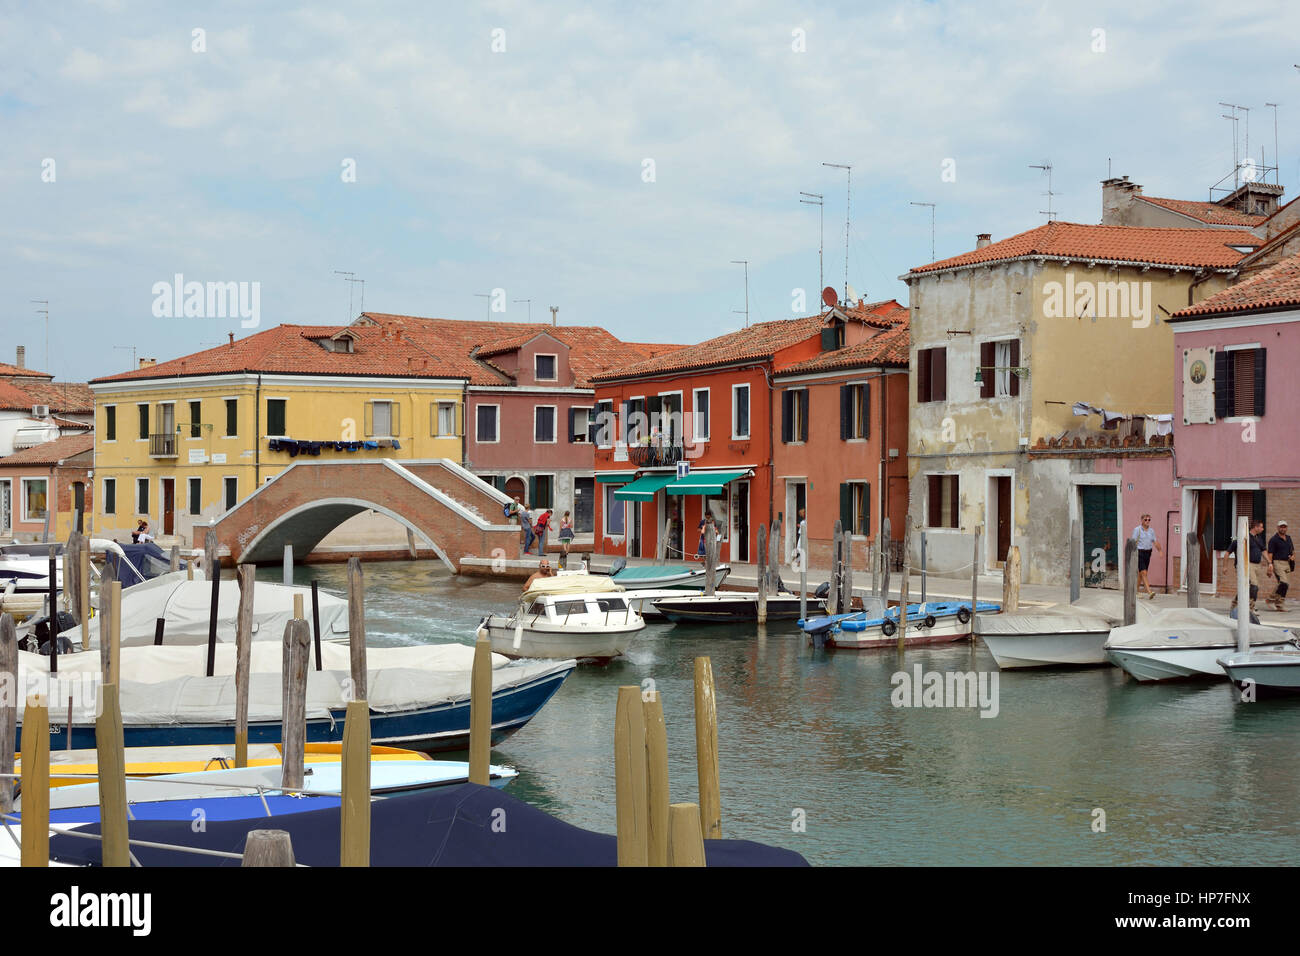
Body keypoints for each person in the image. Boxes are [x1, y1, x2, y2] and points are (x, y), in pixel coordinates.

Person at [1229, 518, 1272, 618]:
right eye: (1261, 527)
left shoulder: (1259, 538)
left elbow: (1263, 550)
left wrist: (1269, 562)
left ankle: (1235, 603)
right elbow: (1232, 551)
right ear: (1255, 527)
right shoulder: (1245, 537)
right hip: (1248, 564)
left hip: (1257, 565)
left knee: (1249, 587)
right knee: (1254, 586)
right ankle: (1250, 607)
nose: (1263, 529)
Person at [1130, 514, 1163, 600]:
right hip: (1139, 552)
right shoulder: (1137, 530)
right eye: (1145, 520)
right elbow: (1132, 542)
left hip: (1148, 553)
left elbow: (1155, 542)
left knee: (1141, 574)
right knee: (1143, 572)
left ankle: (1135, 591)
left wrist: (1160, 551)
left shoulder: (1151, 531)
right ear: (1142, 520)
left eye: (1149, 520)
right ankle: (1149, 591)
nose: (1147, 521)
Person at [1267, 520, 1293, 612]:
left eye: (1284, 527)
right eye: (1281, 527)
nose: (1283, 528)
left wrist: (1292, 556)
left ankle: (1279, 604)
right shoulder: (1273, 539)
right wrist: (1270, 566)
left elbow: (1291, 550)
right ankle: (1270, 599)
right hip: (1277, 562)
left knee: (1285, 585)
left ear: (1286, 528)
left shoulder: (1288, 538)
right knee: (1283, 582)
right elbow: (1270, 553)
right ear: (1278, 528)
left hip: (1287, 563)